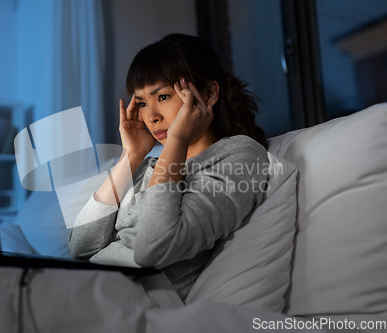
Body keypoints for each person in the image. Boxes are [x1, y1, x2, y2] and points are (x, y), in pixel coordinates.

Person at [68, 33, 269, 301]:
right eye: (141, 103)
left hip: (134, 298)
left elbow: (154, 248)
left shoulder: (240, 154)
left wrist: (177, 139)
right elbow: (80, 246)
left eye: (162, 97)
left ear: (208, 93)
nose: (151, 116)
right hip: (94, 285)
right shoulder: (152, 164)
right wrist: (131, 156)